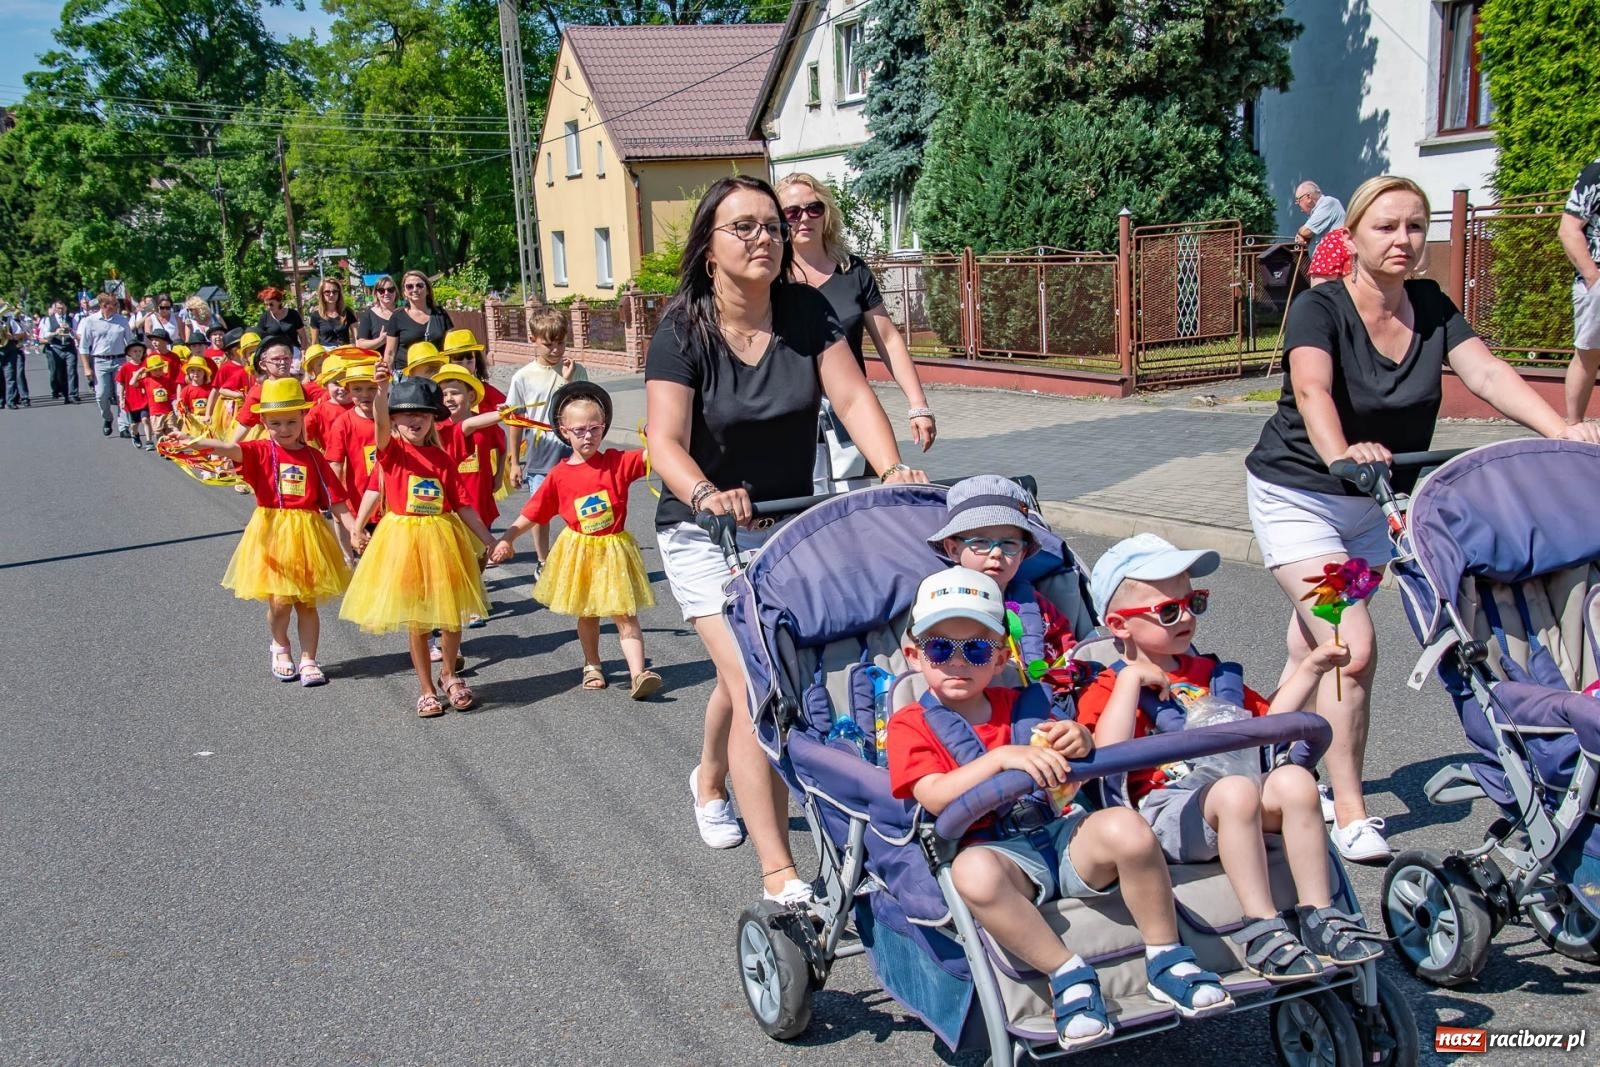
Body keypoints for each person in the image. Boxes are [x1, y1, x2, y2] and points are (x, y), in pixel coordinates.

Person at [1245, 174, 1600, 862]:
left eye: (1415, 226)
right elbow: (1313, 390)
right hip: (1302, 502)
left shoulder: (1432, 306)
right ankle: (1348, 809)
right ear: (1351, 236)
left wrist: (1563, 431)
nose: (1403, 239)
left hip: (1375, 509)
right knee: (1350, 642)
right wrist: (1341, 453)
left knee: (1315, 640)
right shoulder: (1321, 308)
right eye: (1386, 226)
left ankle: (1281, 755)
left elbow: (1488, 374)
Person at [645, 175, 926, 898]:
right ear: (709, 245)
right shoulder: (682, 329)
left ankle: (711, 774)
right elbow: (663, 440)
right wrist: (706, 493)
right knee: (757, 683)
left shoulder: (806, 310)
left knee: (762, 667)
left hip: (789, 525)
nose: (764, 237)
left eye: (771, 225)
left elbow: (852, 395)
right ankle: (780, 873)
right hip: (704, 531)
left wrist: (891, 470)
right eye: (743, 227)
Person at [888, 566, 1230, 1051]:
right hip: (999, 853)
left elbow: (1077, 754)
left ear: (1000, 657)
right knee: (972, 873)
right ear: (915, 656)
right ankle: (1066, 972)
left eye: (977, 650)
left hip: (1062, 829)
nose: (957, 663)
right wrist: (1000, 759)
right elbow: (934, 794)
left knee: (1126, 826)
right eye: (941, 649)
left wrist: (1078, 737)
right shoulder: (910, 724)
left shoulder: (1023, 705)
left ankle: (1165, 954)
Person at [1076, 535, 1386, 981]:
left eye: (1194, 602)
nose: (1186, 616)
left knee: (1296, 781)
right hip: (1166, 811)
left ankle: (1320, 913)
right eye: (1169, 611)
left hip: (1232, 790)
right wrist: (1130, 683)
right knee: (1237, 792)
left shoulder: (1210, 674)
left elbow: (1270, 722)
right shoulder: (1108, 685)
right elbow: (1107, 752)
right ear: (1119, 625)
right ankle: (1261, 925)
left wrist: (1312, 668)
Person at [174, 378, 359, 686]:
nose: (284, 429)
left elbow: (336, 500)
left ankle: (309, 659)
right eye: (276, 423)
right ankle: (280, 644)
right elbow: (231, 448)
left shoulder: (314, 457)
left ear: (303, 418)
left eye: (291, 422)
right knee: (280, 602)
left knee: (307, 603)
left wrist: (354, 530)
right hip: (273, 532)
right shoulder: (260, 450)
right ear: (264, 423)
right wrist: (198, 442)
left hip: (308, 533)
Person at [490, 381, 663, 699]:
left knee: (625, 613)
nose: (588, 436)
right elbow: (533, 512)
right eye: (580, 430)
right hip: (580, 552)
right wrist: (508, 538)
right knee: (589, 613)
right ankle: (592, 664)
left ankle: (639, 674)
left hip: (613, 550)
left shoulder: (616, 462)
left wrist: (656, 434)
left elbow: (656, 454)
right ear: (564, 431)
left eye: (594, 428)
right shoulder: (559, 475)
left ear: (604, 427)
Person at [340, 371, 496, 717]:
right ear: (395, 419)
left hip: (443, 539)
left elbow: (462, 504)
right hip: (404, 541)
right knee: (418, 621)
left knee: (451, 616)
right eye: (407, 414)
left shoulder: (442, 459)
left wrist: (488, 538)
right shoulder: (391, 452)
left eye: (423, 414)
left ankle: (449, 674)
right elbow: (380, 426)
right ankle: (426, 689)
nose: (415, 420)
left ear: (433, 419)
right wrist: (383, 391)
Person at [776, 173, 936, 454]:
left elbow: (888, 339)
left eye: (814, 208)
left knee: (871, 482)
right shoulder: (770, 278)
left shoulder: (852, 271)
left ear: (826, 213)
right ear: (778, 220)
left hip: (852, 415)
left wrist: (918, 405)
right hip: (789, 419)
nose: (805, 218)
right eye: (792, 212)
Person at [927, 475, 1077, 684]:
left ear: (1023, 553)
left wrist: (1065, 672)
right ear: (953, 549)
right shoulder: (940, 601)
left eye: (1009, 543)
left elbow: (1065, 645)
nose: (997, 553)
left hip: (1036, 693)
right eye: (981, 541)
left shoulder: (1036, 605)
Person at [503, 307, 585, 574]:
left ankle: (583, 557)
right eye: (549, 344)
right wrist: (515, 463)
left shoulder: (576, 370)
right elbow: (515, 421)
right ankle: (543, 560)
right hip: (540, 454)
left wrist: (568, 381)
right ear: (533, 340)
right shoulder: (522, 377)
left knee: (580, 508)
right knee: (540, 512)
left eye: (561, 343)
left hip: (572, 452)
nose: (556, 350)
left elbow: (582, 408)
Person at [1559, 158, 1600, 424]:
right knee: (1588, 354)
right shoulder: (1596, 172)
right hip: (1597, 278)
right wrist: (1594, 279)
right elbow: (1568, 230)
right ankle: (1573, 428)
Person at [77, 293, 132, 436]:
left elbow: (130, 342)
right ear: (102, 305)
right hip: (100, 361)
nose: (113, 307)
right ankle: (107, 418)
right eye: (110, 304)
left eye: (115, 304)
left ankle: (123, 426)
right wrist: (87, 368)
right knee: (102, 394)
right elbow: (84, 347)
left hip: (119, 360)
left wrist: (135, 362)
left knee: (121, 394)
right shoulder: (90, 321)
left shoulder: (122, 321)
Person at [381, 271, 452, 372]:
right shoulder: (397, 316)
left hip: (436, 372)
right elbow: (390, 353)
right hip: (407, 375)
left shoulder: (440, 314)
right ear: (404, 292)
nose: (415, 289)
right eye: (409, 286)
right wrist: (388, 377)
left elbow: (451, 345)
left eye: (419, 285)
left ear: (427, 290)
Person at [1294, 181, 1349, 286]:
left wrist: (1301, 233)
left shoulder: (1328, 203)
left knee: (1322, 294)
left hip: (1331, 263)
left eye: (1298, 200)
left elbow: (1306, 231)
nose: (1298, 204)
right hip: (1327, 264)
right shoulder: (1317, 211)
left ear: (1308, 197)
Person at [440, 328, 506, 409]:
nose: (465, 366)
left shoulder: (485, 391)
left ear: (477, 361)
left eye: (470, 361)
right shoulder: (440, 394)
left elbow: (508, 408)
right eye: (458, 362)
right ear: (448, 362)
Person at [114, 340, 152, 450]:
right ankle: (135, 434)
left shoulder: (146, 365)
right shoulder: (125, 367)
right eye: (135, 351)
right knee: (134, 424)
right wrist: (121, 399)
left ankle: (149, 441)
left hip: (144, 398)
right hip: (131, 399)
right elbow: (121, 383)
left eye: (140, 351)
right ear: (129, 353)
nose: (138, 353)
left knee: (145, 419)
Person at [38, 299, 78, 403]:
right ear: (55, 309)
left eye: (62, 308)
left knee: (72, 371)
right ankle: (64, 393)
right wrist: (55, 333)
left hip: (69, 347)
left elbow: (77, 334)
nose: (61, 310)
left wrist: (70, 329)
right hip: (56, 347)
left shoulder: (71, 319)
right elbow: (45, 334)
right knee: (59, 372)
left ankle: (73, 395)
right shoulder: (49, 320)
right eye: (58, 308)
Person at [255, 287, 307, 353]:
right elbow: (259, 338)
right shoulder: (264, 317)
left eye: (271, 304)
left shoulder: (293, 314)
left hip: (293, 351)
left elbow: (302, 336)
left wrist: (303, 351)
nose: (268, 307)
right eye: (266, 305)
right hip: (274, 352)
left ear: (279, 301)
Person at [308, 278, 358, 347]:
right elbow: (314, 343)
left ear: (339, 293)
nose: (331, 295)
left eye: (335, 292)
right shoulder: (316, 315)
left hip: (345, 351)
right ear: (322, 294)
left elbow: (356, 337)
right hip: (326, 352)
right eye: (327, 292)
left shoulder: (347, 312)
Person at [355, 275, 397, 352]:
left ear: (395, 291)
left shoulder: (403, 312)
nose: (386, 293)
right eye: (381, 291)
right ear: (376, 293)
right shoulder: (368, 315)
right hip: (378, 358)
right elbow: (360, 344)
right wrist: (380, 340)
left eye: (390, 290)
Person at [0, 303, 27, 410]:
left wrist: (13, 336)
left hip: (9, 350)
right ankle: (1, 401)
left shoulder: (9, 320)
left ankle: (10, 401)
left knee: (10, 376)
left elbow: (21, 333)